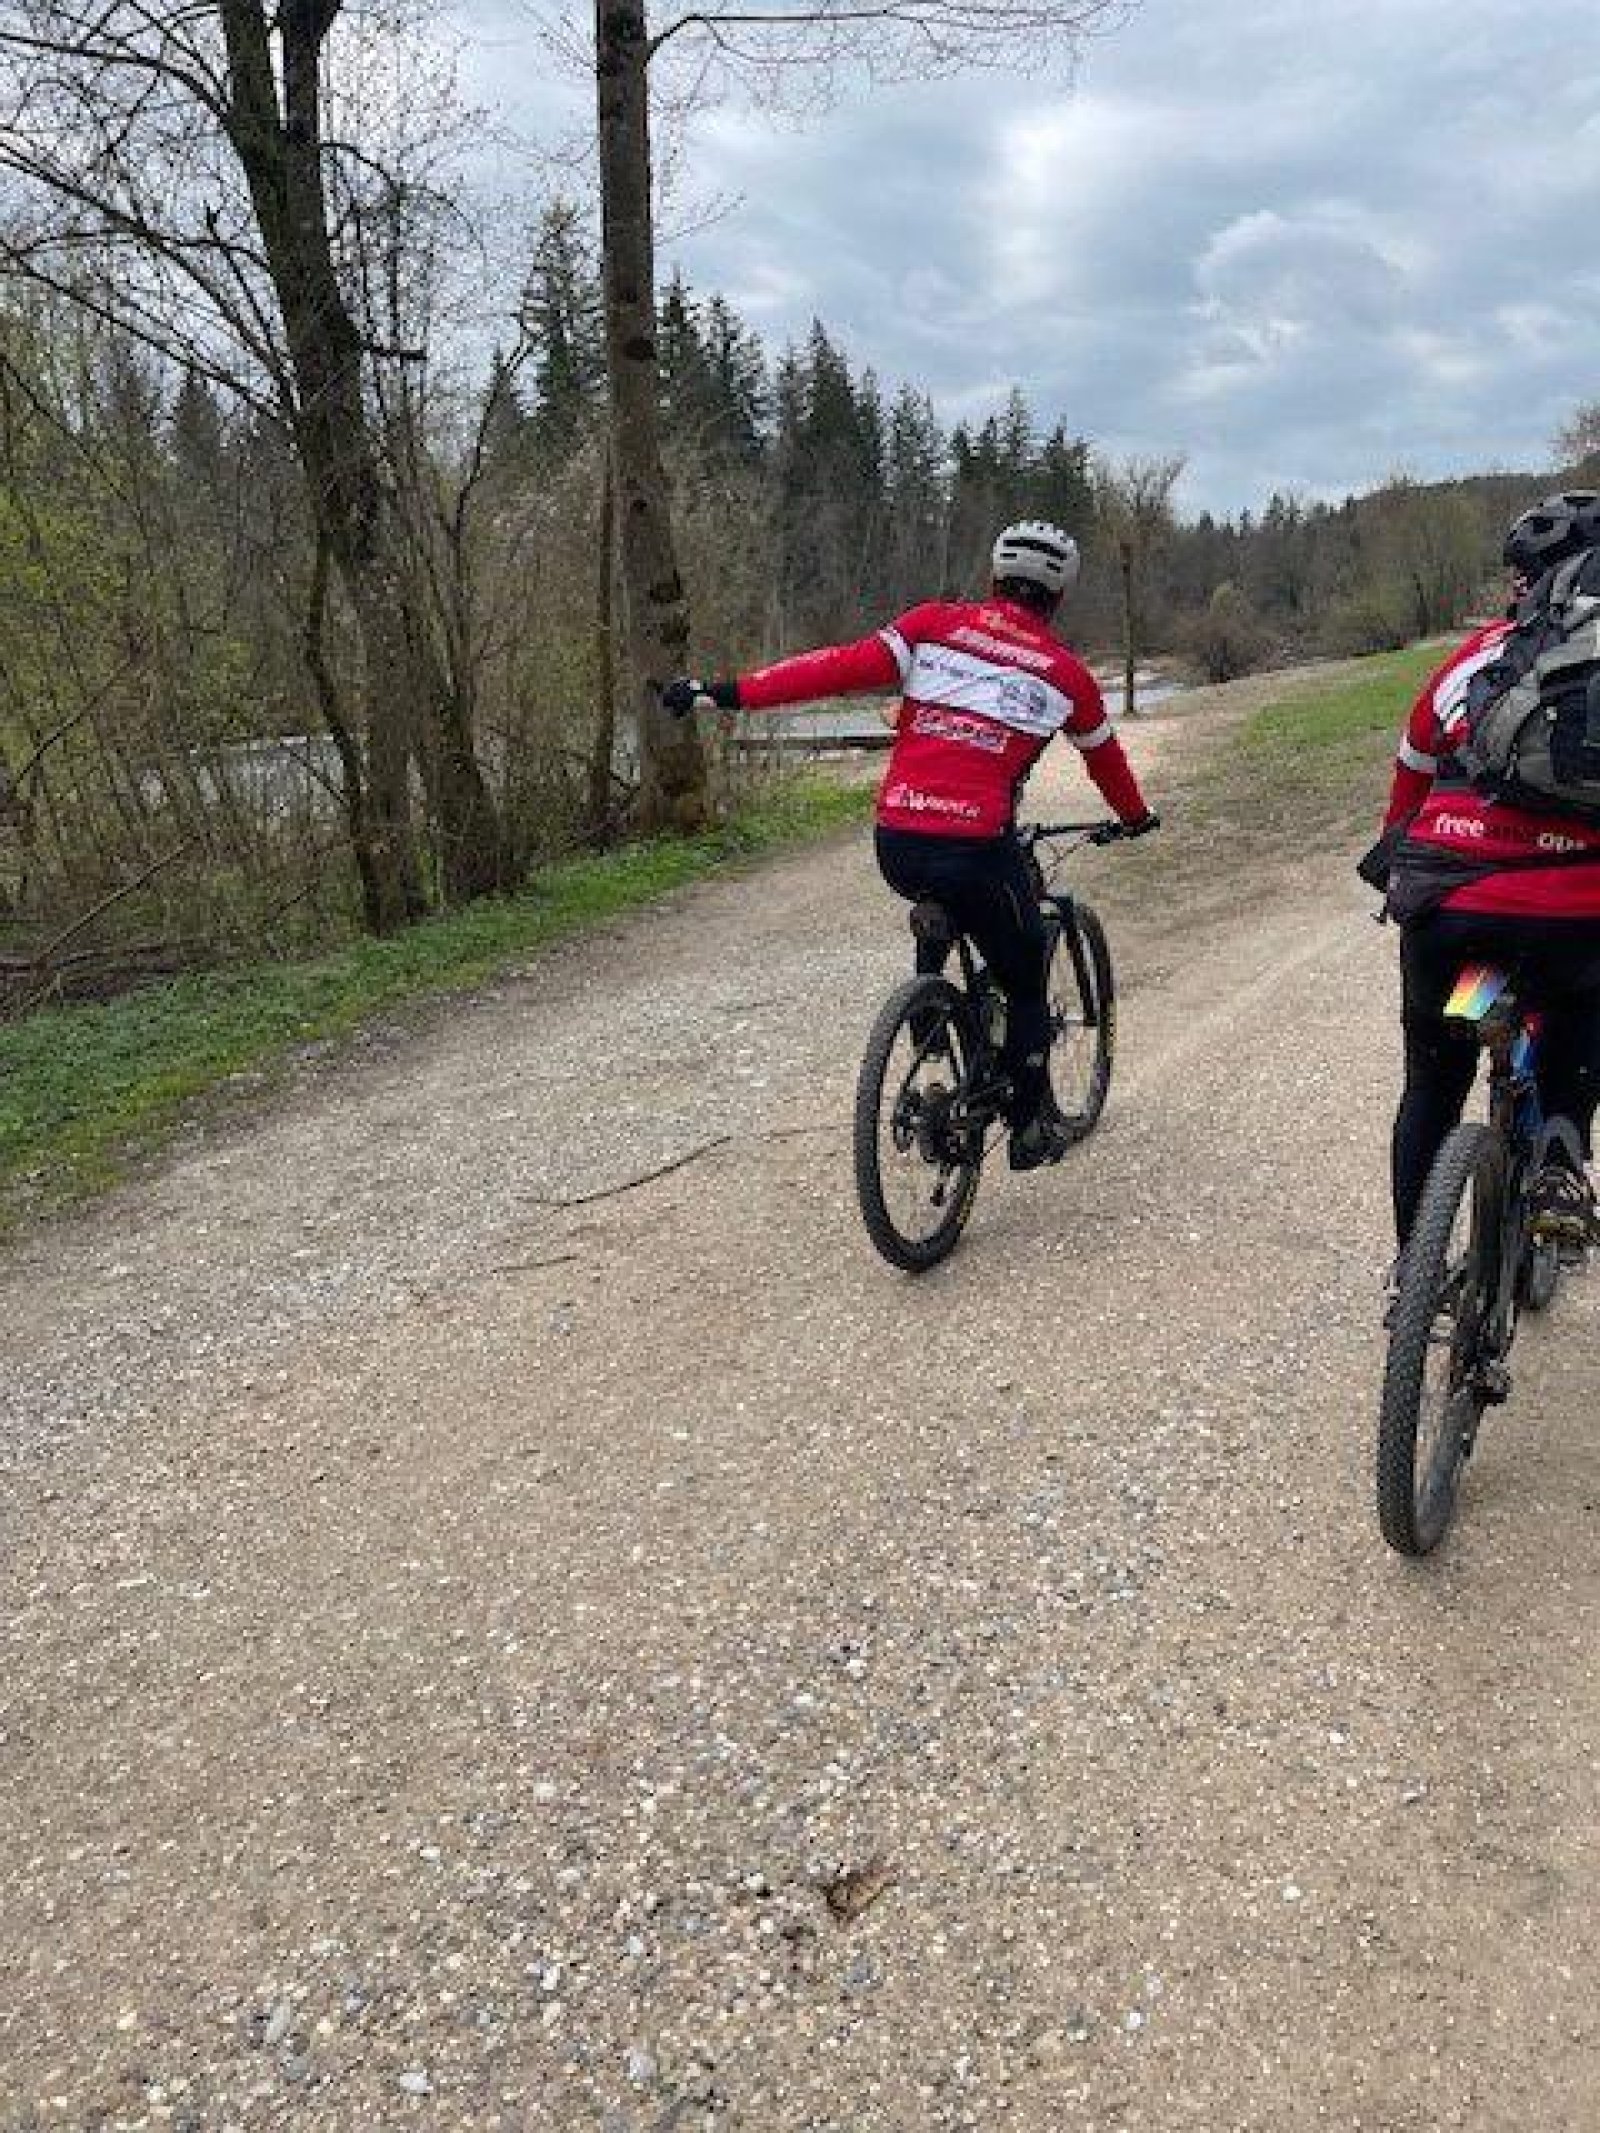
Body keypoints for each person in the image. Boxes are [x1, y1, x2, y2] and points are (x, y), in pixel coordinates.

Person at [662, 520, 1159, 1170]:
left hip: (897, 841)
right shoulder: (1067, 677)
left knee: (950, 895)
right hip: (977, 848)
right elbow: (1107, 763)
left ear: (993, 578)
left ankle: (930, 1003)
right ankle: (1030, 1126)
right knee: (1024, 971)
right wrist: (1135, 816)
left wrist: (720, 693)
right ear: (1059, 596)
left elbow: (833, 670)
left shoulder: (930, 626)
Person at [1380, 490, 1600, 1262]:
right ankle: (1560, 1163)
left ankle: (1413, 1272)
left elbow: (1413, 764)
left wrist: (1397, 860)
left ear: (1523, 580)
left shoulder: (1475, 656)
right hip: (1570, 924)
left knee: (1433, 1084)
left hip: (1452, 910)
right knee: (1578, 1004)